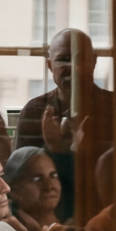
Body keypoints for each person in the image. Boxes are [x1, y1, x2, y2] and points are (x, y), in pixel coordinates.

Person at [13, 28, 89, 220]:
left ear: (94, 61)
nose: (73, 67)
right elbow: (19, 176)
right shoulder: (35, 111)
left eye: (80, 59)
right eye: (63, 59)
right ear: (49, 65)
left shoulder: (115, 108)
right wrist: (54, 149)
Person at [3, 147, 64, 231]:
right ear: (14, 190)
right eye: (38, 179)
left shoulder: (73, 227)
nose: (49, 186)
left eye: (53, 176)